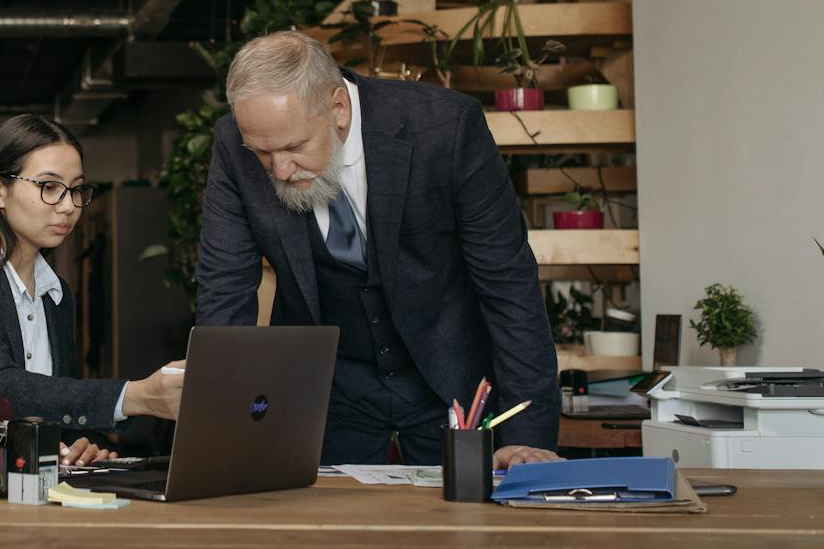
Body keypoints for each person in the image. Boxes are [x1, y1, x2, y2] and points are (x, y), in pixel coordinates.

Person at [196, 30, 559, 469]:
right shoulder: (235, 144)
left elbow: (508, 284)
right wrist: (215, 435)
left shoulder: (445, 128)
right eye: (263, 154)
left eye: (294, 147)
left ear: (338, 107)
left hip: (451, 387)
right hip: (326, 391)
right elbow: (224, 290)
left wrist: (529, 438)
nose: (280, 170)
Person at [0, 113, 185, 465]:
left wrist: (78, 443)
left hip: (30, 486)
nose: (67, 206)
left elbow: (50, 402)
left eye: (76, 189)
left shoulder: (55, 294)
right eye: (49, 187)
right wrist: (133, 396)